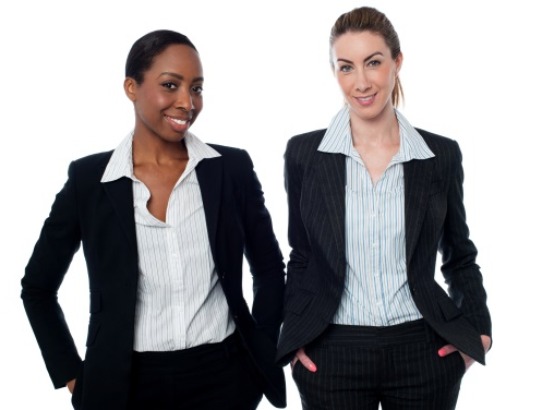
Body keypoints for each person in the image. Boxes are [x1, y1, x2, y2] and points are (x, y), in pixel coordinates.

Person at [21, 29, 286, 410]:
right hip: (125, 385)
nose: (187, 102)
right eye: (170, 85)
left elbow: (269, 269)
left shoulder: (231, 169)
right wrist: (73, 375)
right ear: (132, 87)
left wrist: (259, 351)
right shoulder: (90, 181)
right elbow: (38, 288)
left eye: (196, 88)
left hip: (224, 377)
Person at [276, 6, 492, 410]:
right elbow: (302, 257)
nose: (360, 82)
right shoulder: (305, 153)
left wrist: (478, 331)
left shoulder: (439, 155)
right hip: (332, 352)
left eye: (373, 63)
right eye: (345, 67)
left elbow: (459, 255)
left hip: (422, 349)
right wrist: (294, 337)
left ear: (397, 62)